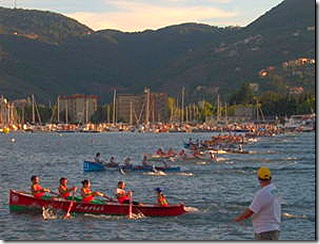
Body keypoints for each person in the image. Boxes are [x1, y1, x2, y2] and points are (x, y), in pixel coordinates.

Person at [234, 167, 281, 240]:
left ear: (259, 179)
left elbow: (251, 211)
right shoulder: (274, 190)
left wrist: (239, 218)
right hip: (274, 229)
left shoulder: (262, 193)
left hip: (264, 231)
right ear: (270, 178)